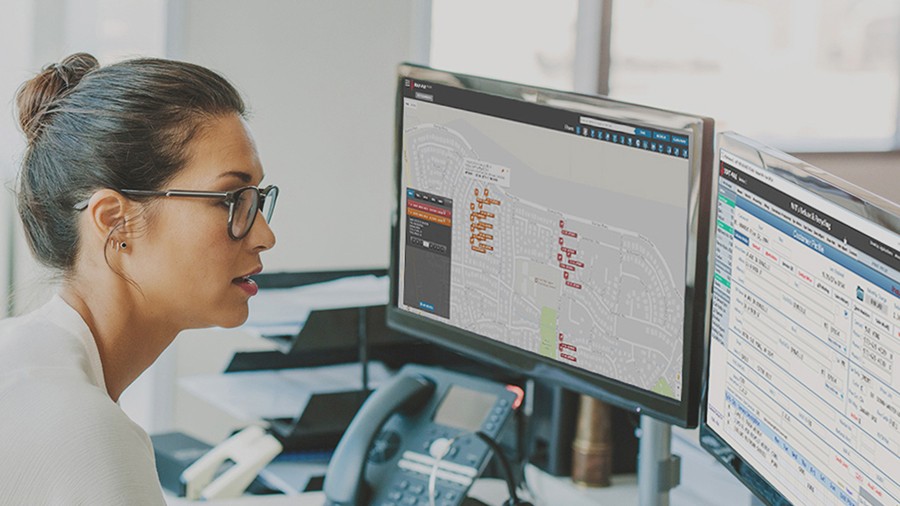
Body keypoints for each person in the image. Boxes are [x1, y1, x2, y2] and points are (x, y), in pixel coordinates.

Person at [0, 53, 277, 504]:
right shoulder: (84, 434)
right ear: (115, 221)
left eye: (257, 199)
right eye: (231, 199)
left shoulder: (21, 359)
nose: (264, 235)